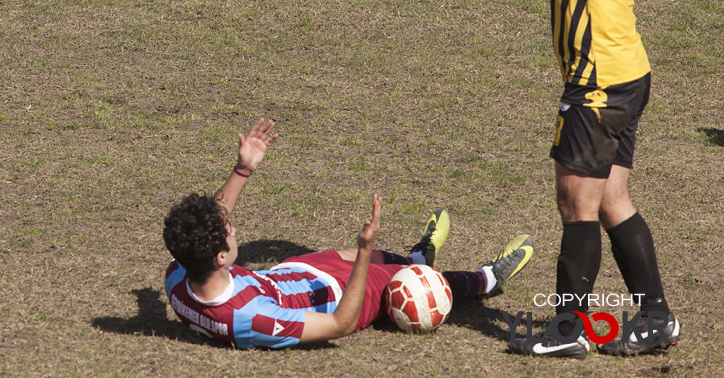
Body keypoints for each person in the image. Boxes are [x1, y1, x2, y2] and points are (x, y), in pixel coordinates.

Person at [509, 0, 679, 357]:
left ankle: (568, 330)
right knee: (611, 199)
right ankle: (656, 318)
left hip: (599, 82)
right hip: (627, 72)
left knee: (575, 201)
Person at [162, 119, 534, 349]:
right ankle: (485, 279)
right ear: (221, 257)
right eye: (228, 231)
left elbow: (206, 226)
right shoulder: (251, 318)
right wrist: (365, 249)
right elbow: (338, 325)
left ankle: (418, 256)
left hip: (291, 275)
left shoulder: (180, 275)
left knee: (375, 259)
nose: (233, 225)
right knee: (415, 283)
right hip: (338, 298)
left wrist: (243, 170)